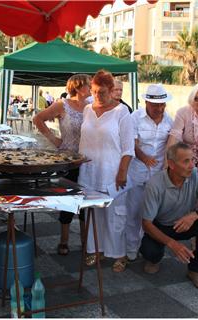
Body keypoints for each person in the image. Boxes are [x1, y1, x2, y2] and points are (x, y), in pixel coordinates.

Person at [140, 142, 198, 290]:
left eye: (192, 160)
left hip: (186, 223)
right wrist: (172, 244)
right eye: (186, 161)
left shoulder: (196, 175)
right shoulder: (155, 184)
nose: (191, 166)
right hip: (162, 226)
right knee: (149, 250)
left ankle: (195, 270)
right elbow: (146, 223)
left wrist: (195, 215)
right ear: (171, 164)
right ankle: (155, 258)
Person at [78, 70, 135, 273]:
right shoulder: (87, 109)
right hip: (89, 171)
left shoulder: (122, 112)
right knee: (93, 213)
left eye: (101, 92)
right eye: (93, 91)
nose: (97, 96)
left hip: (112, 172)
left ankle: (119, 254)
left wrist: (122, 172)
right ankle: (95, 250)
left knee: (115, 215)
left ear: (112, 91)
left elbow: (128, 148)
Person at [33, 74, 92, 255]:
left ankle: (85, 242)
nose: (91, 88)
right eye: (88, 85)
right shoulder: (62, 104)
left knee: (86, 202)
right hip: (67, 160)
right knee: (67, 200)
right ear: (78, 87)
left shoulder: (92, 106)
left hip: (88, 159)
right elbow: (38, 119)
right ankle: (64, 241)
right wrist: (55, 140)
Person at [126, 84, 174, 261]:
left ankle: (147, 248)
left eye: (162, 105)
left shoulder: (170, 120)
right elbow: (132, 143)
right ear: (146, 102)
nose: (159, 108)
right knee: (134, 211)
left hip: (158, 175)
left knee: (152, 214)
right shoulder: (135, 118)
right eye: (155, 105)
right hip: (137, 172)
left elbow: (171, 145)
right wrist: (144, 158)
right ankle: (131, 247)